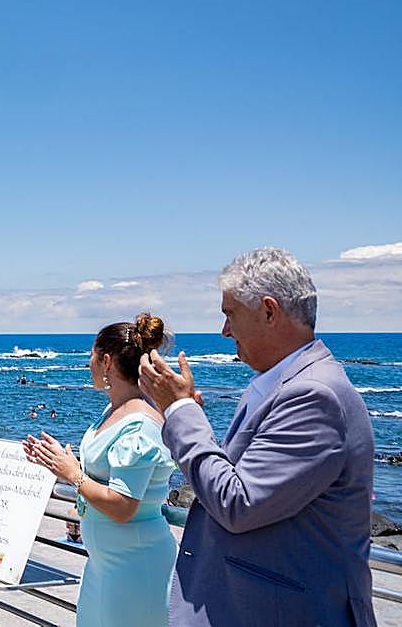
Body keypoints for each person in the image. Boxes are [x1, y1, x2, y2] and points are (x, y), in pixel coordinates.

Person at [139, 248, 376, 627]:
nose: (225, 331)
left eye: (230, 314)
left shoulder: (314, 395)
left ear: (269, 311)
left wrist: (180, 413)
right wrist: (187, 417)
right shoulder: (280, 382)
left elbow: (239, 503)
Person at [24, 313, 177, 627]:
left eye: (90, 358)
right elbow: (105, 474)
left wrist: (72, 474)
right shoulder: (115, 409)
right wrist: (58, 462)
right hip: (105, 562)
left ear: (106, 361)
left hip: (135, 564)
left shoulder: (139, 425)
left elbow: (123, 506)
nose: (88, 366)